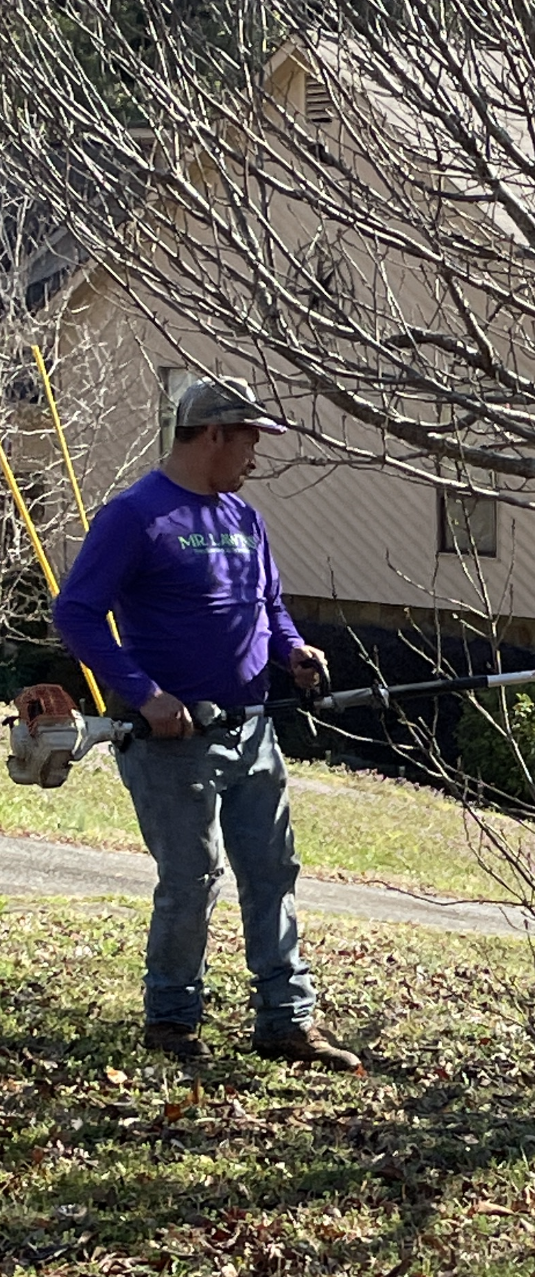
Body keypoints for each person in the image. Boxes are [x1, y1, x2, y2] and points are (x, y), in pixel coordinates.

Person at [53, 376, 361, 1070]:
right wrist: (144, 692)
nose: (257, 454)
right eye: (250, 438)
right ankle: (170, 1021)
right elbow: (75, 612)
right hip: (172, 739)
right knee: (193, 877)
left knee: (273, 868)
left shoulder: (242, 519)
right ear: (215, 433)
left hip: (252, 727)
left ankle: (286, 1020)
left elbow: (269, 607)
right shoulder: (136, 515)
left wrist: (293, 653)